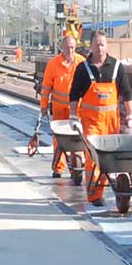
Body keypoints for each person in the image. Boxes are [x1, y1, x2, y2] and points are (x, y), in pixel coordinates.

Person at [69, 30, 132, 206]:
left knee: (108, 158)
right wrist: (73, 116)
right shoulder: (83, 69)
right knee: (94, 157)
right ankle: (94, 194)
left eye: (103, 44)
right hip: (90, 122)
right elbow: (74, 94)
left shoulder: (116, 67)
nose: (100, 48)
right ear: (90, 46)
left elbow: (126, 94)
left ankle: (102, 187)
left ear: (107, 45)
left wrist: (130, 115)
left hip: (111, 123)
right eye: (97, 44)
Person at [40, 35, 85, 178]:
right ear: (62, 48)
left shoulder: (82, 63)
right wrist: (43, 106)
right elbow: (46, 87)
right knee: (59, 139)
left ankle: (75, 168)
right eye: (68, 48)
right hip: (59, 108)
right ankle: (58, 168)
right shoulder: (53, 64)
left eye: (73, 48)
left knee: (76, 139)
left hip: (77, 109)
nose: (70, 51)